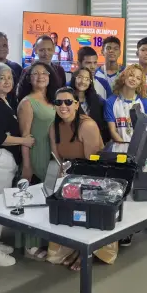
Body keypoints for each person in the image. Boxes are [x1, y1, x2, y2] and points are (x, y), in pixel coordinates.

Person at [47, 87, 114, 270]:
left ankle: (85, 251)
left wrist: (75, 185)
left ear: (77, 104)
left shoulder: (87, 125)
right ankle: (73, 247)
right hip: (71, 177)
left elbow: (93, 164)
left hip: (94, 177)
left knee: (84, 208)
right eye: (59, 102)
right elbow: (57, 159)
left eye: (68, 102)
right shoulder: (54, 127)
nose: (63, 106)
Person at [0, 63, 35, 266]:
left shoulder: (4, 101)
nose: (7, 81)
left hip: (6, 159)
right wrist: (24, 141)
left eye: (10, 78)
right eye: (2, 78)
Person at [17, 61, 58, 260]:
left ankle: (43, 239)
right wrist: (27, 166)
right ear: (29, 78)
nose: (40, 76)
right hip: (35, 153)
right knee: (32, 199)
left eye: (44, 73)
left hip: (50, 154)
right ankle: (29, 245)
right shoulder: (27, 103)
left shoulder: (53, 100)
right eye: (35, 73)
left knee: (46, 199)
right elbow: (25, 137)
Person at [105, 64, 147, 152]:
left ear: (140, 83)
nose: (133, 79)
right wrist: (125, 149)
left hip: (138, 150)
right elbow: (113, 131)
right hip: (118, 149)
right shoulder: (111, 101)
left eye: (138, 78)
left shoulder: (144, 102)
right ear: (124, 77)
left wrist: (135, 150)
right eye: (131, 75)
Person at [70, 66, 110, 143]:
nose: (83, 81)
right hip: (75, 141)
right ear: (74, 78)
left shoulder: (97, 100)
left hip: (95, 141)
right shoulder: (67, 99)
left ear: (90, 82)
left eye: (87, 79)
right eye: (80, 77)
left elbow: (102, 125)